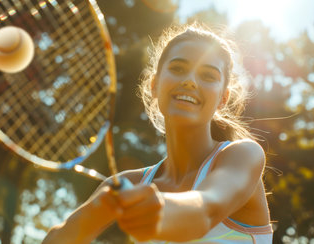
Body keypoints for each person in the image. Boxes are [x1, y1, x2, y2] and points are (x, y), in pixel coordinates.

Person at [42, 23, 272, 244]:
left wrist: (161, 210)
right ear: (154, 84)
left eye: (208, 76)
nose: (190, 81)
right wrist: (99, 209)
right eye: (178, 68)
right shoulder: (128, 182)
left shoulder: (244, 155)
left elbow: (206, 210)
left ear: (223, 98)